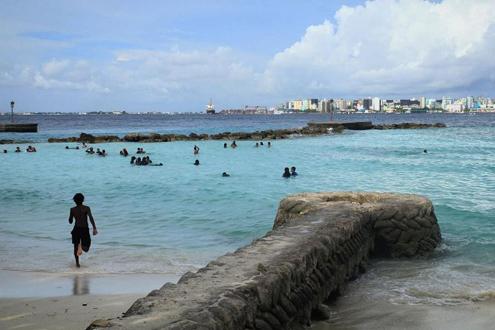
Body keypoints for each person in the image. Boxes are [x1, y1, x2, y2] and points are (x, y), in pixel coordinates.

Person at [68, 193, 97, 268]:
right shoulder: (87, 208)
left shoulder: (72, 209)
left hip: (76, 229)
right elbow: (91, 218)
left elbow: (70, 222)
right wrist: (94, 228)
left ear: (74, 201)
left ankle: (77, 263)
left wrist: (71, 216)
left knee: (75, 247)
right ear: (83, 200)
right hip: (84, 229)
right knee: (86, 248)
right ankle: (78, 261)